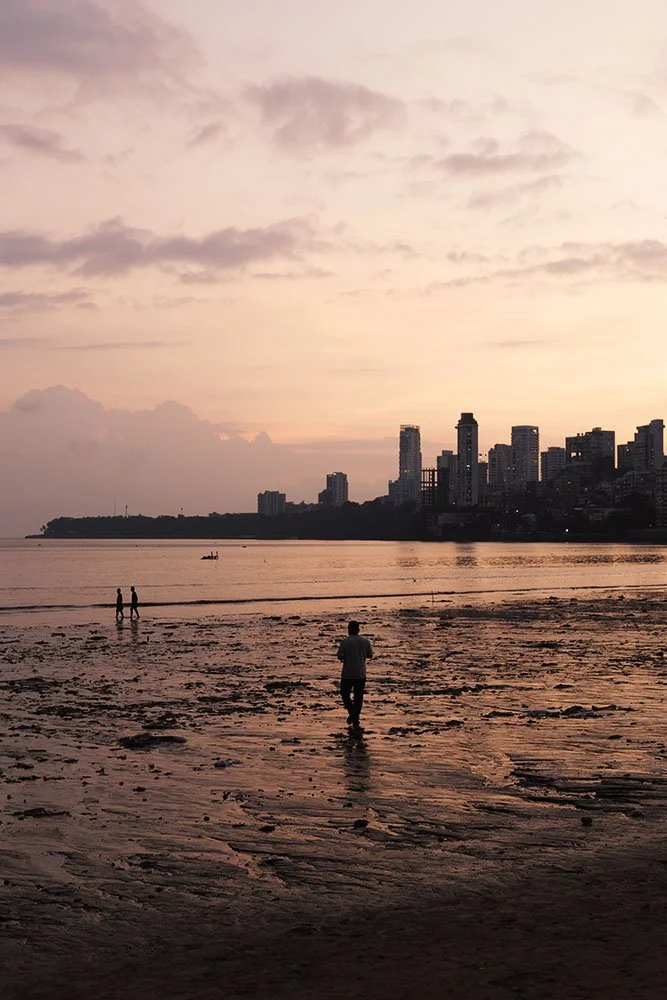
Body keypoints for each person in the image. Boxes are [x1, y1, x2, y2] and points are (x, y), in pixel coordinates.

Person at [336, 620, 373, 729]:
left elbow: (340, 656)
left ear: (349, 629)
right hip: (360, 673)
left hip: (347, 673)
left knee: (345, 694)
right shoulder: (365, 641)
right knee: (358, 696)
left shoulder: (345, 642)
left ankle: (352, 713)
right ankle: (355, 716)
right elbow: (370, 655)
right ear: (358, 629)